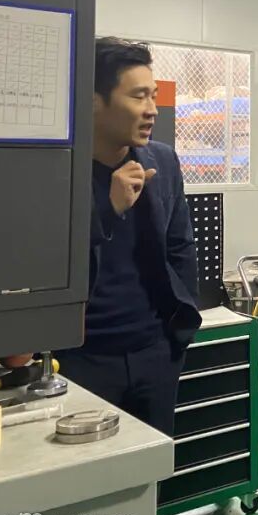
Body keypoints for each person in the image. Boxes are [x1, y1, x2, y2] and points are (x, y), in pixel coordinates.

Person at [56, 38, 201, 435]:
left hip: (155, 353)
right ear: (93, 101)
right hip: (80, 360)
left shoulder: (162, 161)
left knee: (154, 467)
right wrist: (107, 208)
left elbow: (181, 247)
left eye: (153, 96)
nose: (152, 109)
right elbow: (42, 261)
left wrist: (176, 337)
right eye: (138, 96)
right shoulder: (57, 171)